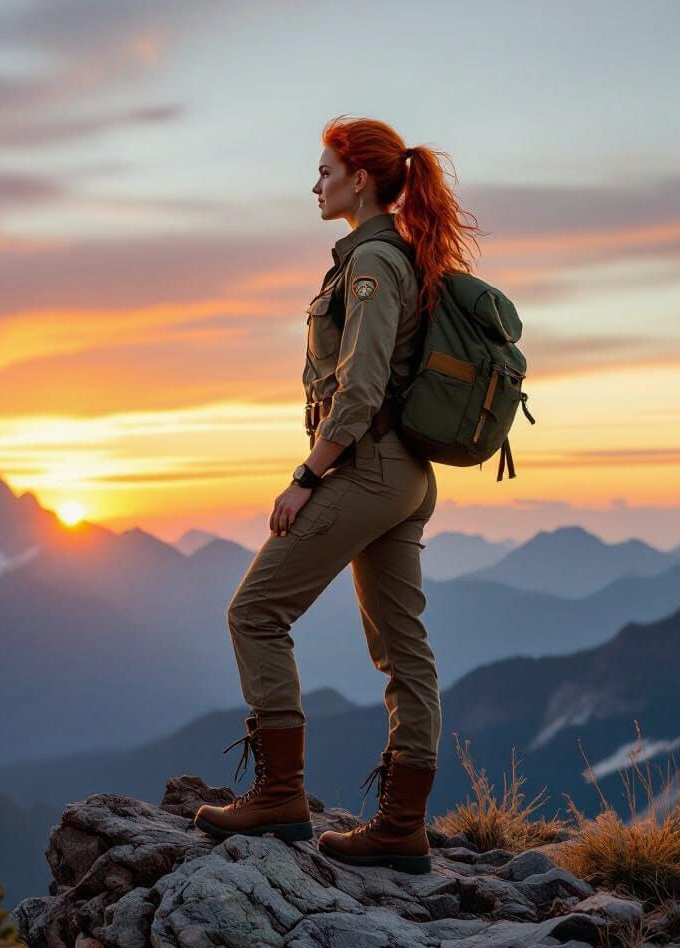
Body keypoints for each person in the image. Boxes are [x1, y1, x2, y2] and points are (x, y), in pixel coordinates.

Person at [193, 116, 484, 875]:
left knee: (254, 613)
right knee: (403, 653)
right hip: (404, 475)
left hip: (369, 468)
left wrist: (307, 475)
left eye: (324, 171)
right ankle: (401, 828)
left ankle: (280, 795)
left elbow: (358, 389)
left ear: (360, 179)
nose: (314, 184)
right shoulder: (394, 256)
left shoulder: (372, 263)